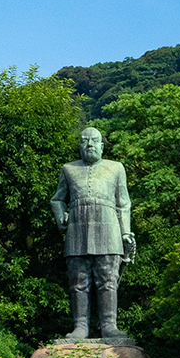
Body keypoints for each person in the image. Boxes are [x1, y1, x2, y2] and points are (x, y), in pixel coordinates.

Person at [51, 127, 133, 339]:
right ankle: (80, 326)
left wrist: (126, 233)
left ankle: (109, 325)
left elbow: (124, 203)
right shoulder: (68, 169)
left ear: (102, 146)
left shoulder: (116, 168)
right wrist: (62, 217)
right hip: (77, 230)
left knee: (108, 279)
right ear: (79, 145)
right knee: (78, 281)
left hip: (109, 229)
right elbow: (57, 199)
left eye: (94, 141)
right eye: (84, 141)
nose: (89, 145)